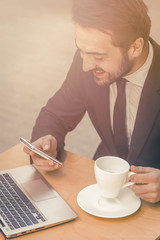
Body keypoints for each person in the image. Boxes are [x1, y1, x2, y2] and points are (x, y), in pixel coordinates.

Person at [24, 0, 160, 203]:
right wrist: (46, 143)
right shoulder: (87, 60)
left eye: (98, 56)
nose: (86, 65)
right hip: (101, 190)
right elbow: (56, 114)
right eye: (81, 50)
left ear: (135, 47)